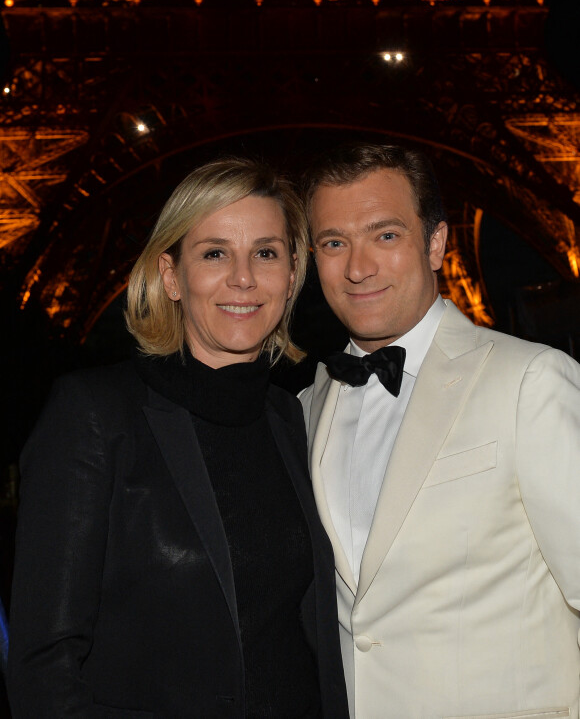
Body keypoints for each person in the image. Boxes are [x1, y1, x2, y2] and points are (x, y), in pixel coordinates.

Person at [7, 157, 349, 719]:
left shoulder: (294, 418)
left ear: (291, 277)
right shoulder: (96, 415)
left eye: (265, 252)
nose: (243, 277)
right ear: (170, 276)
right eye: (215, 253)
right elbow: (44, 668)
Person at [300, 142, 580, 718]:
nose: (357, 267)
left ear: (435, 244)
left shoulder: (529, 380)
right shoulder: (305, 406)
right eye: (334, 243)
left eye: (385, 235)